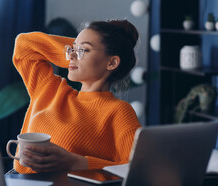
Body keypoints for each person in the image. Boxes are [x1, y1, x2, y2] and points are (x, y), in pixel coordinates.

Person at [11, 19, 141, 174]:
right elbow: (24, 44)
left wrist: (77, 163)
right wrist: (79, 48)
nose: (71, 55)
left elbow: (136, 169)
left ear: (112, 62)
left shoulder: (118, 111)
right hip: (20, 185)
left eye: (83, 50)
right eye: (71, 49)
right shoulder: (50, 89)